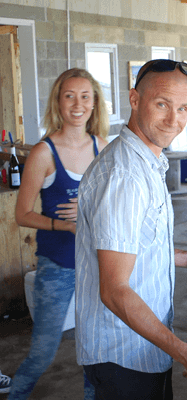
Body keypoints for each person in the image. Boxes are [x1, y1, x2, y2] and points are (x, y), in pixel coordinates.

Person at [74, 59, 187, 400]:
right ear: (134, 100)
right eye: (162, 104)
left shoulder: (148, 160)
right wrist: (183, 350)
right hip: (122, 354)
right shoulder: (125, 176)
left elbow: (135, 247)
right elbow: (114, 289)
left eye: (183, 108)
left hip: (144, 344)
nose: (174, 120)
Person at [10, 68, 109, 399]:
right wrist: (65, 224)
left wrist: (86, 206)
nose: (77, 104)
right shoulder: (43, 153)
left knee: (96, 351)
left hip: (97, 265)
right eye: (69, 96)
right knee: (42, 353)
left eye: (85, 96)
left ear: (94, 103)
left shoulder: (103, 148)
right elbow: (22, 214)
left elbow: (111, 208)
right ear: (58, 101)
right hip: (58, 266)